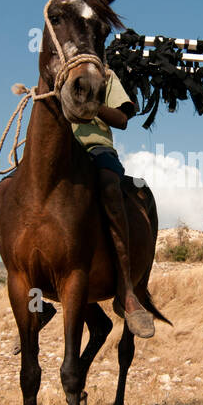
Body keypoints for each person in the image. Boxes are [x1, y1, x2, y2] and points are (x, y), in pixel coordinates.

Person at [73, 71, 156, 338]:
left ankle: (126, 291)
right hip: (59, 152)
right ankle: (34, 299)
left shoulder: (106, 76)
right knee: (6, 194)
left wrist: (90, 105)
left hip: (96, 149)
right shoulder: (58, 74)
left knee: (110, 184)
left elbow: (121, 119)